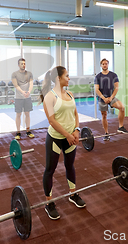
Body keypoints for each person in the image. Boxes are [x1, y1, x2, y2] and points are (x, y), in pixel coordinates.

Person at [40, 66, 85, 220]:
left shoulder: (70, 94)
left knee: (70, 165)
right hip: (56, 139)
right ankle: (49, 203)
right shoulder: (50, 97)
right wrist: (67, 135)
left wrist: (77, 130)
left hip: (71, 137)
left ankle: (73, 194)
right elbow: (51, 121)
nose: (69, 78)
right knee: (50, 169)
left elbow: (75, 114)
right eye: (67, 76)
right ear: (58, 78)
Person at [94, 58, 127, 140]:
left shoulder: (113, 75)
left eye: (106, 63)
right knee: (104, 115)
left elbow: (116, 87)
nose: (105, 65)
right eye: (103, 64)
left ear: (108, 64)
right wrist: (103, 98)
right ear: (101, 65)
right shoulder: (98, 76)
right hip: (102, 99)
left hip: (111, 97)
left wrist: (111, 97)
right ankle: (106, 133)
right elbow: (96, 89)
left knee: (122, 107)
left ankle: (121, 127)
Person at [11, 58, 35, 139]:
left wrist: (28, 92)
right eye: (21, 64)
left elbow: (31, 84)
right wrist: (23, 92)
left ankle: (28, 131)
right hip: (18, 97)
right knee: (18, 114)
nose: (23, 65)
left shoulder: (29, 74)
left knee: (27, 113)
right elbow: (16, 85)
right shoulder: (14, 74)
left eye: (24, 63)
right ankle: (18, 132)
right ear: (18, 65)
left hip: (27, 97)